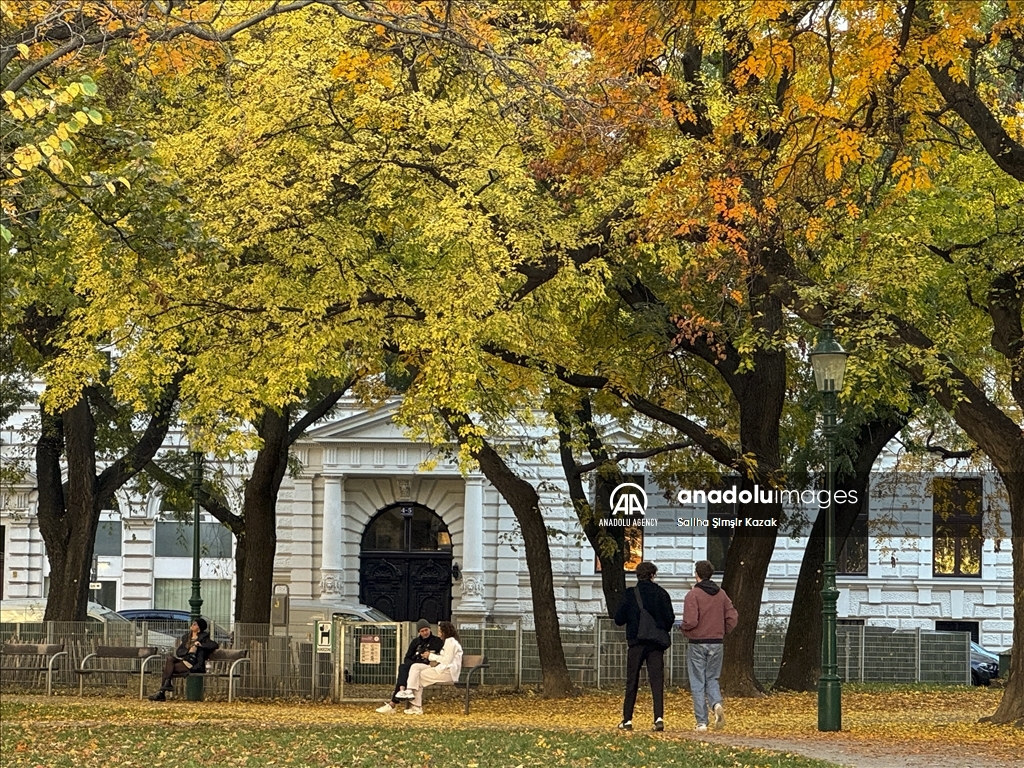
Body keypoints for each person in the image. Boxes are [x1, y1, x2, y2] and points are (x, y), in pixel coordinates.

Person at [613, 561, 675, 732]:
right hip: (655, 644)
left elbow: (619, 619)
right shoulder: (661, 594)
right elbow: (669, 618)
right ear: (653, 575)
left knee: (632, 680)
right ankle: (658, 718)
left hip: (636, 642)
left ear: (637, 575)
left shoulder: (630, 594)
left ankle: (627, 720)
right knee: (657, 681)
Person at [681, 559, 738, 732]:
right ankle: (716, 704)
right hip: (717, 642)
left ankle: (701, 722)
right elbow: (732, 618)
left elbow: (690, 621)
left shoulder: (693, 595)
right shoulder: (722, 595)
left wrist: (684, 629)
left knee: (698, 682)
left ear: (696, 574)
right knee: (712, 678)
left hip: (697, 643)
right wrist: (722, 631)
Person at [375, 619, 444, 713]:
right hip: (414, 665)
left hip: (427, 666)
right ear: (419, 632)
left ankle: (394, 702)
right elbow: (407, 657)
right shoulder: (415, 642)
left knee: (409, 669)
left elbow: (441, 656)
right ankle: (402, 690)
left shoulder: (437, 641)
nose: (424, 633)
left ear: (430, 629)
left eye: (426, 630)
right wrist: (410, 663)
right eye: (422, 631)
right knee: (403, 667)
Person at [394, 620, 463, 715]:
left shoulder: (450, 642)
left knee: (418, 677)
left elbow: (447, 660)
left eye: (439, 631)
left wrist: (431, 656)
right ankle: (409, 690)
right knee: (415, 667)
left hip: (448, 672)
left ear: (444, 632)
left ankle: (416, 706)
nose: (438, 633)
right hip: (442, 669)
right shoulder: (449, 641)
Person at [148, 617, 219, 701]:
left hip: (194, 664)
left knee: (166, 669)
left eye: (195, 624)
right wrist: (189, 651)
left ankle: (162, 692)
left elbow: (214, 645)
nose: (192, 625)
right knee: (170, 659)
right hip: (185, 661)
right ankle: (166, 685)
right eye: (192, 623)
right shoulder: (186, 637)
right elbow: (179, 652)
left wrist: (200, 645)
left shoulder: (204, 638)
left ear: (199, 628)